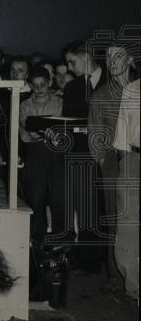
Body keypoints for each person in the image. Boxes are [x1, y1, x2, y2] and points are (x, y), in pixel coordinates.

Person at [88, 44, 137, 290]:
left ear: (130, 60)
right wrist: (103, 162)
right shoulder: (100, 95)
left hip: (135, 160)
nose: (111, 61)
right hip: (112, 165)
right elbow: (95, 134)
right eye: (108, 58)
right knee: (113, 219)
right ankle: (115, 275)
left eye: (117, 56)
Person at [60, 40, 108, 272]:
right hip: (81, 156)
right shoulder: (71, 89)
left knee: (111, 209)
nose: (69, 67)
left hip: (111, 157)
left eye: (72, 61)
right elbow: (69, 126)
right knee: (87, 209)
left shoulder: (117, 82)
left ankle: (112, 263)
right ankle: (90, 261)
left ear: (87, 56)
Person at [19, 66, 65, 248]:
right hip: (35, 157)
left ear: (50, 83)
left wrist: (37, 132)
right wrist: (46, 132)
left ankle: (60, 243)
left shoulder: (60, 103)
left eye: (43, 85)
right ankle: (37, 245)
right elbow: (24, 136)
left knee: (58, 199)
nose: (39, 90)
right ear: (29, 85)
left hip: (57, 156)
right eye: (35, 85)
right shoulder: (24, 106)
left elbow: (64, 131)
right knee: (35, 198)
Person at [113, 78, 139, 299]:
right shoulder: (133, 88)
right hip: (134, 158)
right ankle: (134, 285)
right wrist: (126, 164)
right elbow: (122, 132)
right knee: (129, 221)